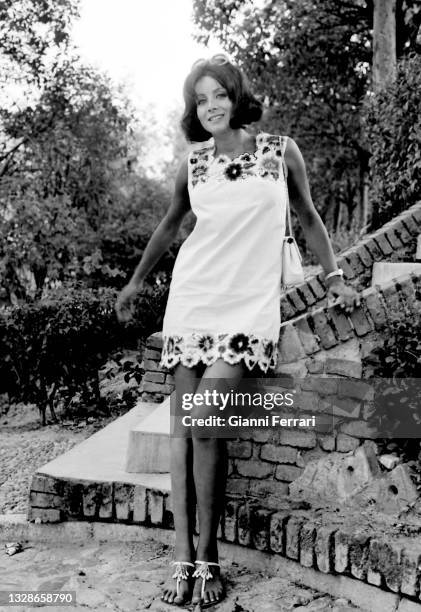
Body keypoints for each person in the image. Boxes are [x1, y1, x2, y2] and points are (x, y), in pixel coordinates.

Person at [115, 54, 360, 608]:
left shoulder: (280, 151)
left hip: (248, 307)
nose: (210, 108)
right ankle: (187, 559)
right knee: (184, 428)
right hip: (193, 299)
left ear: (236, 95)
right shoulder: (193, 163)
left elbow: (309, 216)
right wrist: (135, 283)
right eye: (199, 101)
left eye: (217, 95)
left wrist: (335, 278)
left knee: (204, 421)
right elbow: (171, 224)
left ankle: (211, 556)